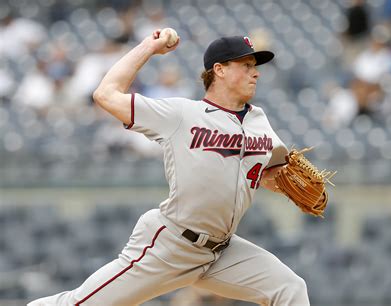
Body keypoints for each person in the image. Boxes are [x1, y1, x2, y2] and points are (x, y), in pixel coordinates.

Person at [28, 29, 314, 305]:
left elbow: (267, 173)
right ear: (220, 70)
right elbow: (105, 94)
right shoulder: (181, 114)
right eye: (247, 64)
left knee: (289, 289)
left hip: (222, 252)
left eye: (255, 66)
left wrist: (285, 184)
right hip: (171, 245)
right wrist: (149, 47)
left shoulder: (259, 121)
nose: (256, 72)